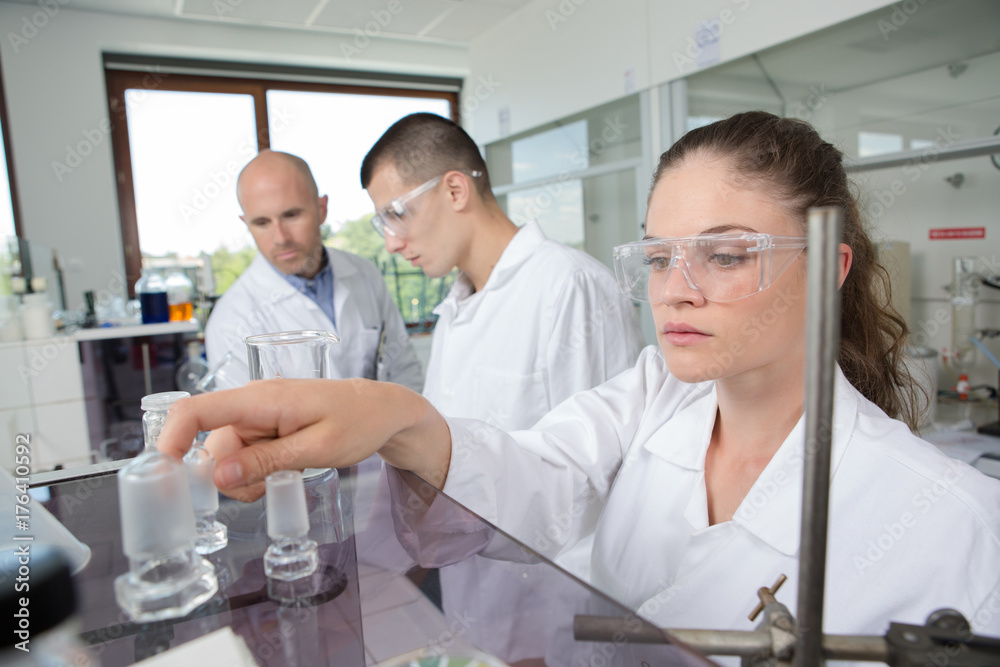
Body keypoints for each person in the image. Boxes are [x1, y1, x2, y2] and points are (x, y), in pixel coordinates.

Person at [161, 112, 1000, 664]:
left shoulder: (956, 525)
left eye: (728, 253)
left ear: (830, 266)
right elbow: (541, 468)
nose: (676, 287)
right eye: (661, 255)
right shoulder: (652, 393)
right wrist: (393, 417)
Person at [359, 113, 645, 660]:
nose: (394, 242)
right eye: (382, 224)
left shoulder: (570, 287)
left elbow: (604, 478)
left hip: (558, 620)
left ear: (455, 188)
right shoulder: (456, 310)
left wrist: (560, 639)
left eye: (397, 214)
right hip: (477, 608)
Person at [204, 150, 423, 392]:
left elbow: (404, 370)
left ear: (322, 209)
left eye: (291, 215)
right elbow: (249, 422)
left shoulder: (364, 274)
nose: (280, 238)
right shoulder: (231, 321)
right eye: (262, 223)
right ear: (247, 224)